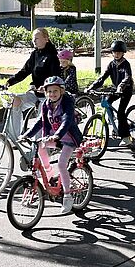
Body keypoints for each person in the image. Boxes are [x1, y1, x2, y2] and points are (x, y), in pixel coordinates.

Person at [19, 76, 83, 214]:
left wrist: (57, 135)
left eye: (55, 91)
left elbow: (66, 121)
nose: (52, 94)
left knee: (61, 164)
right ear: (45, 92)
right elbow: (40, 122)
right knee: (40, 147)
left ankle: (67, 196)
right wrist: (27, 135)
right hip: (55, 136)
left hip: (69, 138)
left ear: (62, 91)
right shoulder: (46, 104)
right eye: (49, 91)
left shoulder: (67, 102)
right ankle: (49, 174)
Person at [0, 28, 60, 136]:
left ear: (46, 39)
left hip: (48, 96)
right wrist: (8, 83)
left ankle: (38, 147)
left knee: (41, 117)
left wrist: (46, 87)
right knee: (15, 101)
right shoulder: (35, 54)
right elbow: (24, 71)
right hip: (35, 93)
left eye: (36, 38)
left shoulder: (52, 56)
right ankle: (13, 138)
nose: (34, 41)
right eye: (33, 38)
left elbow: (56, 78)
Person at [86, 40, 134, 146]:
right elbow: (103, 78)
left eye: (119, 52)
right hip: (116, 89)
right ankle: (112, 122)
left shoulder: (126, 64)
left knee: (121, 112)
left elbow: (127, 77)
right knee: (106, 102)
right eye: (114, 52)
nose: (116, 54)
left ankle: (126, 137)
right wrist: (92, 87)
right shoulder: (111, 64)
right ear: (112, 53)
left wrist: (121, 87)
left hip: (125, 90)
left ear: (123, 53)